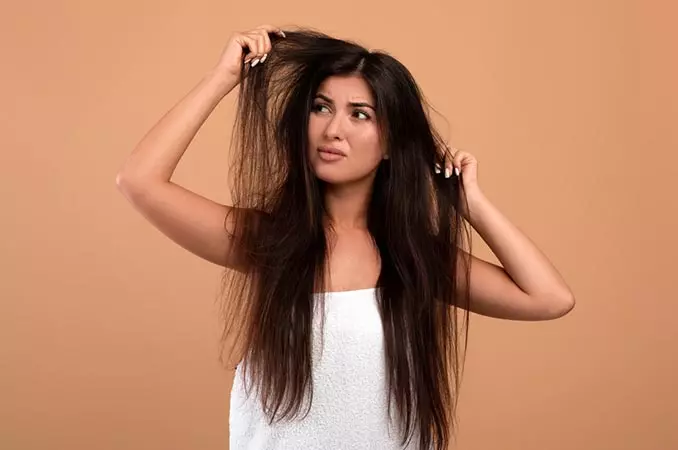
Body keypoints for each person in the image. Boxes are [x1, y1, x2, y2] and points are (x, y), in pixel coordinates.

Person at [116, 24, 576, 450]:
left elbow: (549, 298)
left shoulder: (414, 257)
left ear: (392, 142)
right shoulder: (268, 241)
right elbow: (139, 182)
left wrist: (468, 203)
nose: (333, 129)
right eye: (321, 107)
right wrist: (223, 78)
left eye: (360, 114)